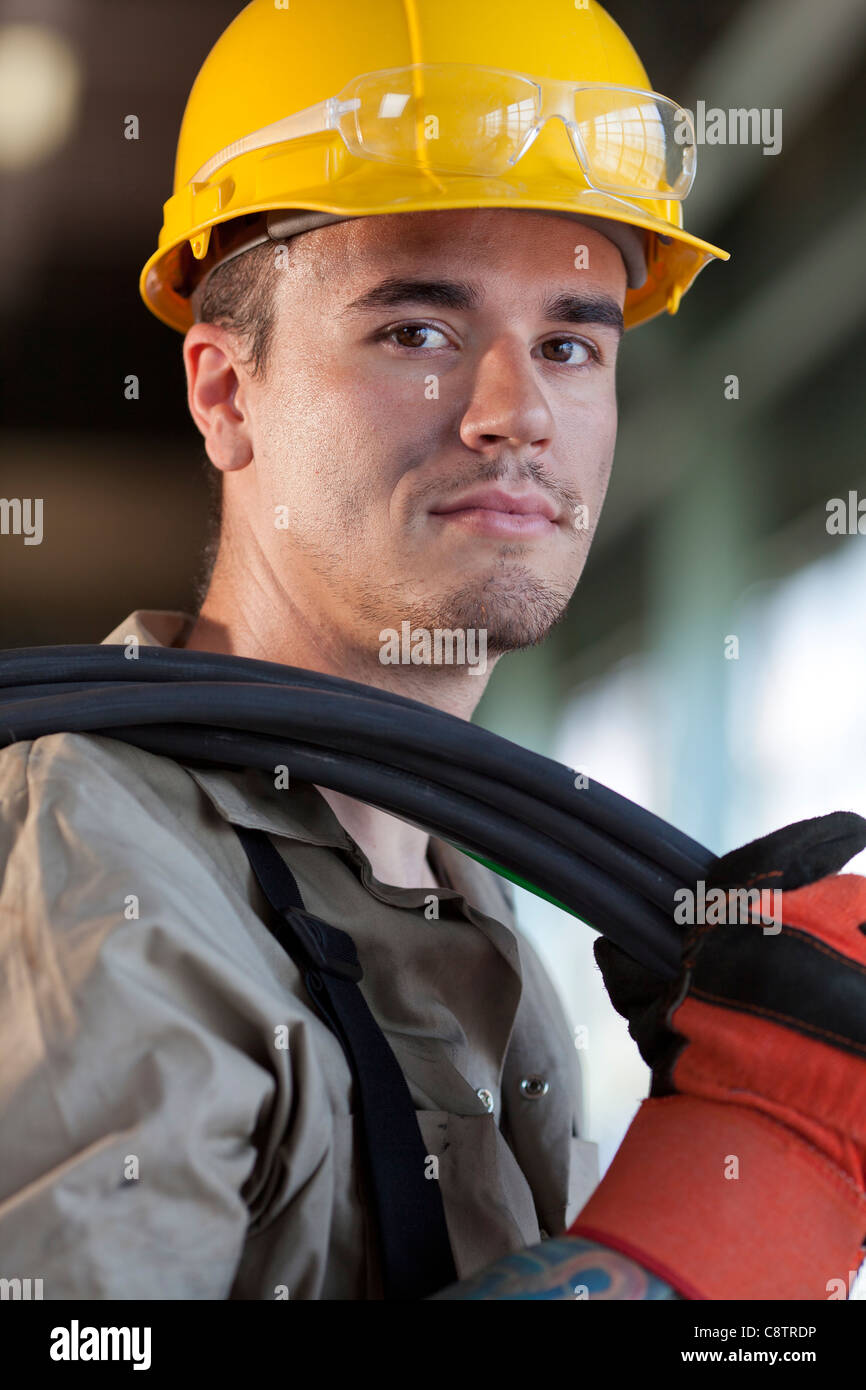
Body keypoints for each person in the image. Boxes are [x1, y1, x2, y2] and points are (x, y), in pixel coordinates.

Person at [1, 0, 864, 1303]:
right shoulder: (91, 868)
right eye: (417, 332)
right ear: (224, 393)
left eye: (571, 340)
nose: (517, 412)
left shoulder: (461, 889)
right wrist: (732, 1202)